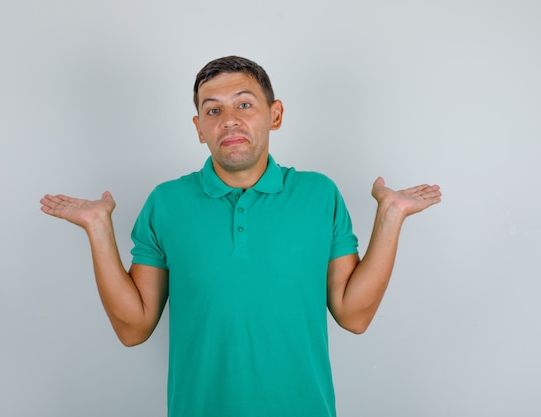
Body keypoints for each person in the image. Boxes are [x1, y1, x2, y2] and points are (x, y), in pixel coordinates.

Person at [40, 55, 442, 417]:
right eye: (212, 110)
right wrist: (97, 228)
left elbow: (354, 316)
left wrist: (390, 216)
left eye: (244, 104)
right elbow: (133, 328)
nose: (228, 119)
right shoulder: (166, 202)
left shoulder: (319, 194)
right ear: (199, 128)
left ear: (275, 114)